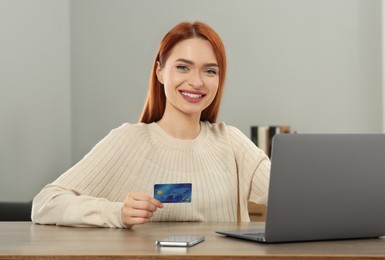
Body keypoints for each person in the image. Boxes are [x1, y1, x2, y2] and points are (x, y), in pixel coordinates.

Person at [32, 21, 270, 228]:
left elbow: (291, 193)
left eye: (209, 71)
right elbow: (45, 203)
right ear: (160, 72)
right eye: (183, 67)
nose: (196, 81)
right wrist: (116, 213)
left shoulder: (232, 141)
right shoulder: (128, 141)